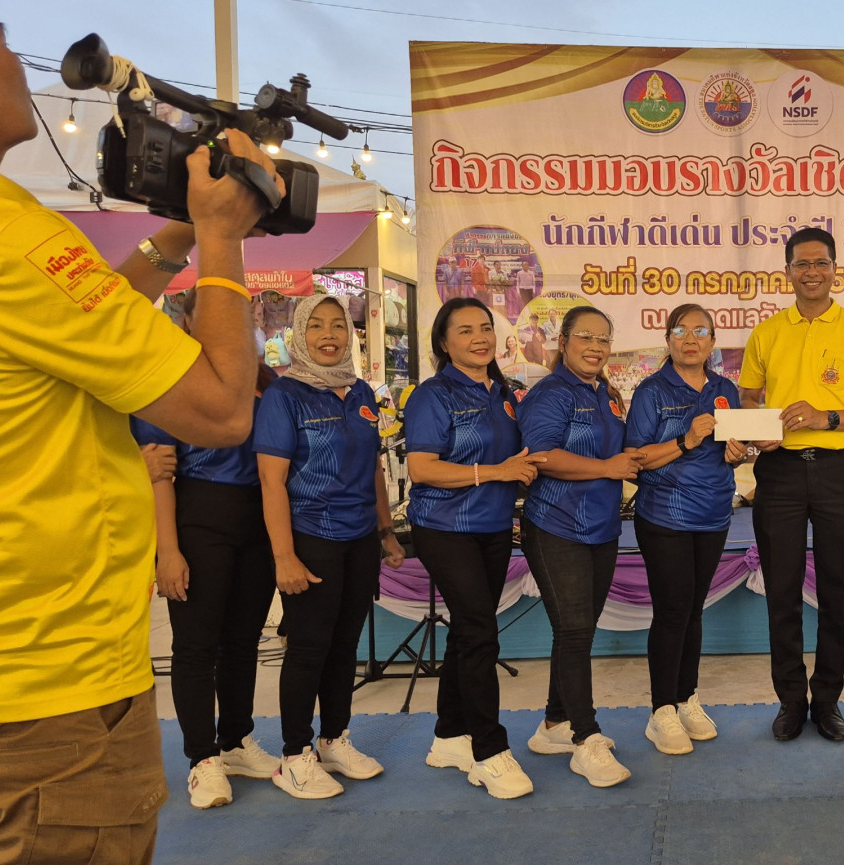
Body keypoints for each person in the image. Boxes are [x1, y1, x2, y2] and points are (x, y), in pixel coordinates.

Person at [0, 10, 278, 861]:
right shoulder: (10, 237)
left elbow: (72, 338)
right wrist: (222, 238)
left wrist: (178, 234)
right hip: (48, 696)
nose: (16, 58)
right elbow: (222, 410)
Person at [740, 226, 844, 742]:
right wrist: (759, 429)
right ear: (787, 271)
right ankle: (790, 700)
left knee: (837, 588)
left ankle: (827, 699)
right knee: (781, 591)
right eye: (802, 264)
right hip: (780, 471)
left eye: (821, 263)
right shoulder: (767, 332)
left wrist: (826, 418)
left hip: (839, 470)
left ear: (834, 269)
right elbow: (748, 398)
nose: (812, 272)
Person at [133, 292, 284, 811]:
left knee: (242, 642)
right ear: (190, 320)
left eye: (239, 315)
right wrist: (168, 551)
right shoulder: (170, 379)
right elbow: (159, 473)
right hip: (199, 518)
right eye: (215, 314)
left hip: (257, 522)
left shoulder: (265, 381)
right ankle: (202, 758)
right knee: (196, 646)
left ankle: (236, 741)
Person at [255, 295, 406, 800]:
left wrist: (385, 531)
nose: (328, 334)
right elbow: (271, 483)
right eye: (316, 325)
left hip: (360, 539)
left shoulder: (362, 392)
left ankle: (334, 739)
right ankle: (294, 756)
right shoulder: (285, 395)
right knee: (308, 649)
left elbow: (374, 469)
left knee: (345, 647)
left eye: (338, 325)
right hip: (310, 537)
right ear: (299, 335)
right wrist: (284, 557)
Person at [405, 297, 546, 799]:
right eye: (464, 330)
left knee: (468, 633)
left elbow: (520, 455)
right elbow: (421, 468)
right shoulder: (432, 395)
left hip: (493, 526)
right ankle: (489, 750)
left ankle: (449, 736)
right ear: (444, 343)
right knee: (481, 633)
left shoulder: (504, 393)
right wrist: (497, 472)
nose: (479, 338)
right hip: (444, 526)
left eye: (485, 328)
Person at [518, 306, 645, 787]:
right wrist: (608, 468)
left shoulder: (605, 393)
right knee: (573, 631)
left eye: (603, 339)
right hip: (556, 525)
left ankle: (554, 723)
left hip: (601, 527)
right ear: (563, 341)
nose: (595, 347)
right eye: (585, 337)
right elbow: (541, 455)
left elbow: (620, 453)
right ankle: (584, 737)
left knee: (579, 630)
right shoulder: (550, 393)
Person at [624, 304, 746, 755]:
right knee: (673, 611)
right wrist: (686, 440)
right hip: (665, 516)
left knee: (693, 610)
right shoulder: (651, 391)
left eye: (700, 331)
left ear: (713, 341)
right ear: (668, 339)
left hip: (714, 514)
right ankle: (661, 711)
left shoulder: (725, 389)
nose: (690, 339)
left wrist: (737, 453)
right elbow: (635, 460)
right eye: (680, 331)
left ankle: (686, 697)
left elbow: (733, 447)